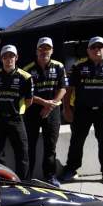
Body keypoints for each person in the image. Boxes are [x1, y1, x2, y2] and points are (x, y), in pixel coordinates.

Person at [60, 36, 103, 185]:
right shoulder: (78, 66)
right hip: (82, 110)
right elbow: (69, 90)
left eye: (100, 47)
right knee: (76, 141)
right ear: (88, 50)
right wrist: (67, 109)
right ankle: (71, 169)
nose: (97, 50)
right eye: (93, 47)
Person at [22, 38, 68, 186]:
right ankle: (27, 178)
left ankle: (50, 176)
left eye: (47, 48)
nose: (44, 51)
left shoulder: (59, 67)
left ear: (52, 50)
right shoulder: (27, 69)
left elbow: (63, 88)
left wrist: (50, 105)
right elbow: (25, 94)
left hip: (53, 111)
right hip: (32, 111)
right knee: (30, 145)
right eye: (41, 48)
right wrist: (43, 103)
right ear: (37, 51)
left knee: (50, 146)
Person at [0, 45, 34, 180]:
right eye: (5, 57)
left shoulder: (26, 77)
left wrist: (17, 110)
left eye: (11, 56)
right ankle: (3, 181)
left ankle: (23, 182)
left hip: (16, 119)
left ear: (16, 58)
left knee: (22, 153)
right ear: (1, 59)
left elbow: (29, 100)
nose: (8, 59)